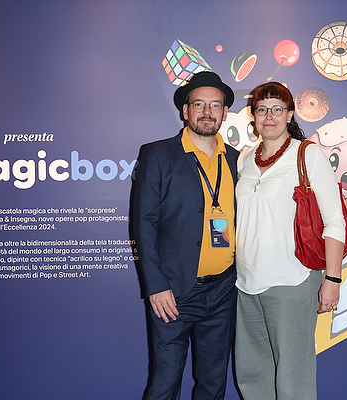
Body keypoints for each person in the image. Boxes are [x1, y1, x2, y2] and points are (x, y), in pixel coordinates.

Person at [130, 71, 239, 400]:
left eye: (215, 105)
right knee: (165, 384)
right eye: (199, 104)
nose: (207, 112)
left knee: (213, 384)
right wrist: (156, 285)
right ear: (185, 110)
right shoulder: (158, 154)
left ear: (224, 112)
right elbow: (143, 223)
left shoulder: (237, 160)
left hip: (224, 290)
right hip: (174, 292)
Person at [234, 82, 346, 400]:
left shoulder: (307, 154)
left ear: (289, 114)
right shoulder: (245, 159)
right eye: (262, 109)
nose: (269, 116)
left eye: (277, 109)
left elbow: (335, 221)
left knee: (293, 381)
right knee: (253, 376)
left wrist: (333, 279)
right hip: (246, 283)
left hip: (292, 281)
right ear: (253, 115)